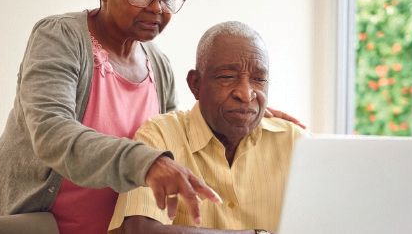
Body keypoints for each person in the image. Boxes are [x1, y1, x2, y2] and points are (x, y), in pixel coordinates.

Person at [0, 0, 300, 234]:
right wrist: (146, 162)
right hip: (31, 222)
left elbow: (177, 135)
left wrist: (239, 105)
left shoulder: (159, 65)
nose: (156, 8)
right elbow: (51, 133)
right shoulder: (61, 37)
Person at [108, 21, 307, 234]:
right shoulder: (159, 137)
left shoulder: (295, 142)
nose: (245, 93)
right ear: (195, 84)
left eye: (258, 79)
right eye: (227, 77)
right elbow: (139, 230)